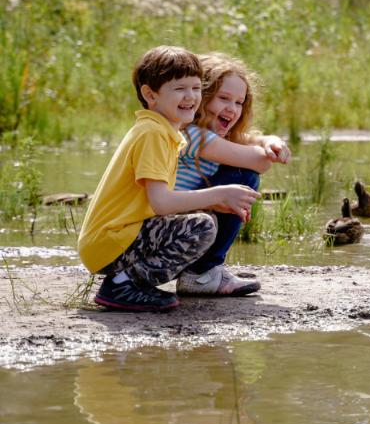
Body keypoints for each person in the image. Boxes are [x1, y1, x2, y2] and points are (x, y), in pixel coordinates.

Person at [77, 46, 261, 312]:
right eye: (179, 89)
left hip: (116, 240)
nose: (190, 97)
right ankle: (122, 285)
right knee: (202, 227)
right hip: (112, 242)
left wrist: (211, 201)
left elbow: (158, 203)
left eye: (196, 88)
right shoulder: (152, 133)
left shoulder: (162, 131)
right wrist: (219, 194)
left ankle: (135, 280)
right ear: (150, 94)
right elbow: (161, 202)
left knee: (202, 219)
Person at [173, 53, 291, 295]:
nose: (232, 108)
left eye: (239, 102)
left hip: (182, 224)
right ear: (201, 99)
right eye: (223, 98)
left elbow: (250, 140)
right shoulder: (194, 136)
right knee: (243, 176)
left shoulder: (202, 134)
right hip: (176, 227)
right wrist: (266, 152)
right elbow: (259, 162)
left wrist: (270, 139)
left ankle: (204, 270)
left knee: (241, 174)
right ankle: (202, 272)